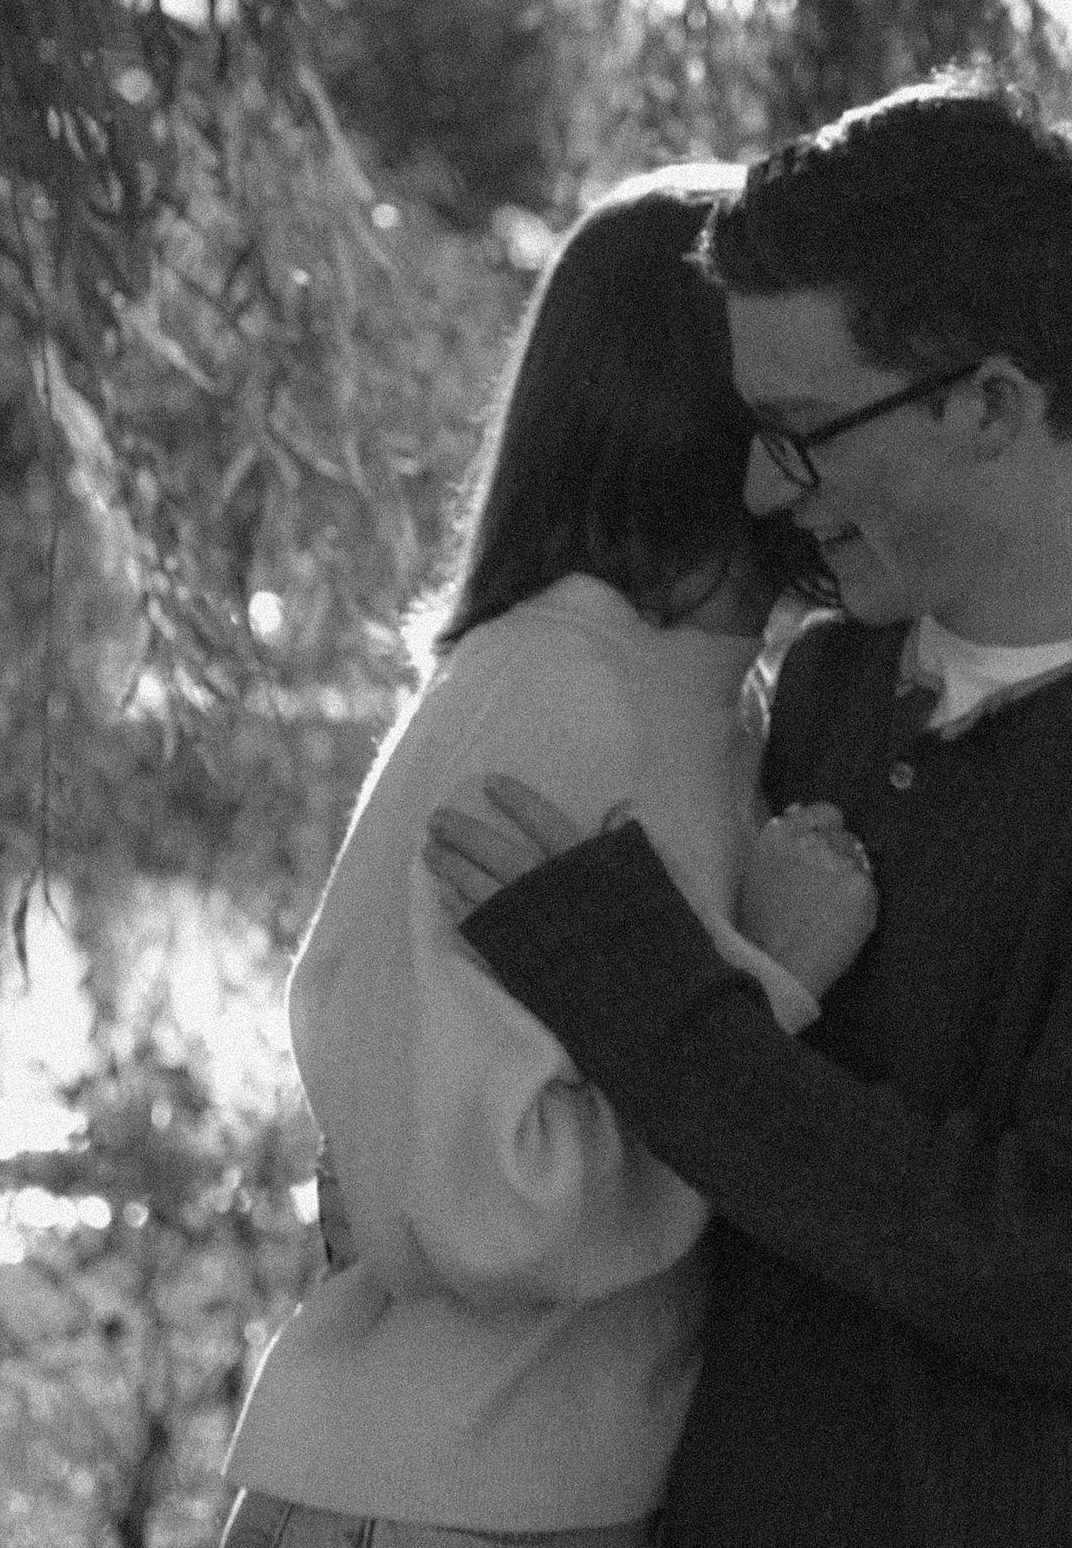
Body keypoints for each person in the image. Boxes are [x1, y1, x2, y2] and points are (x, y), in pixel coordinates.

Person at [427, 80, 1072, 1547]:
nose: (758, 485)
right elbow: (744, 1185)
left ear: (993, 404)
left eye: (803, 430)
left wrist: (655, 1007)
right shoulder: (833, 685)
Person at [218, 171, 878, 1548]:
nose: (845, 426)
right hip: (444, 1499)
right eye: (806, 385)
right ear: (715, 407)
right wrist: (766, 979)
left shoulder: (714, 700)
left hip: (552, 1491)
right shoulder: (555, 696)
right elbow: (477, 1201)